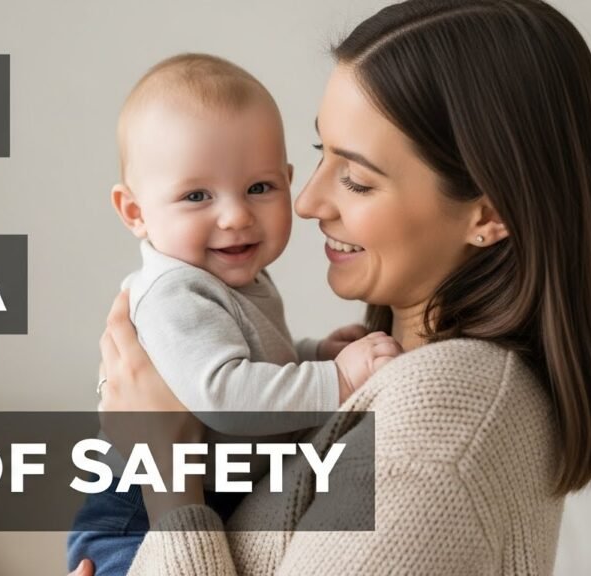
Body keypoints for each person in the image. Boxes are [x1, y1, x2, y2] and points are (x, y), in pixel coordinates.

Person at [73, 0, 591, 574]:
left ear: (488, 213)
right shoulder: (411, 393)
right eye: (322, 153)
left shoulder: (442, 427)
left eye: (357, 179)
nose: (306, 202)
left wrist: (170, 487)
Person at [67, 53, 402, 576]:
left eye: (259, 188)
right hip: (132, 517)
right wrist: (334, 378)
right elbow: (223, 396)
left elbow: (249, 362)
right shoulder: (176, 292)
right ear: (135, 212)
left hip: (198, 491)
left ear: (288, 182)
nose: (235, 215)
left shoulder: (226, 276)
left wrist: (313, 353)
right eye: (196, 195)